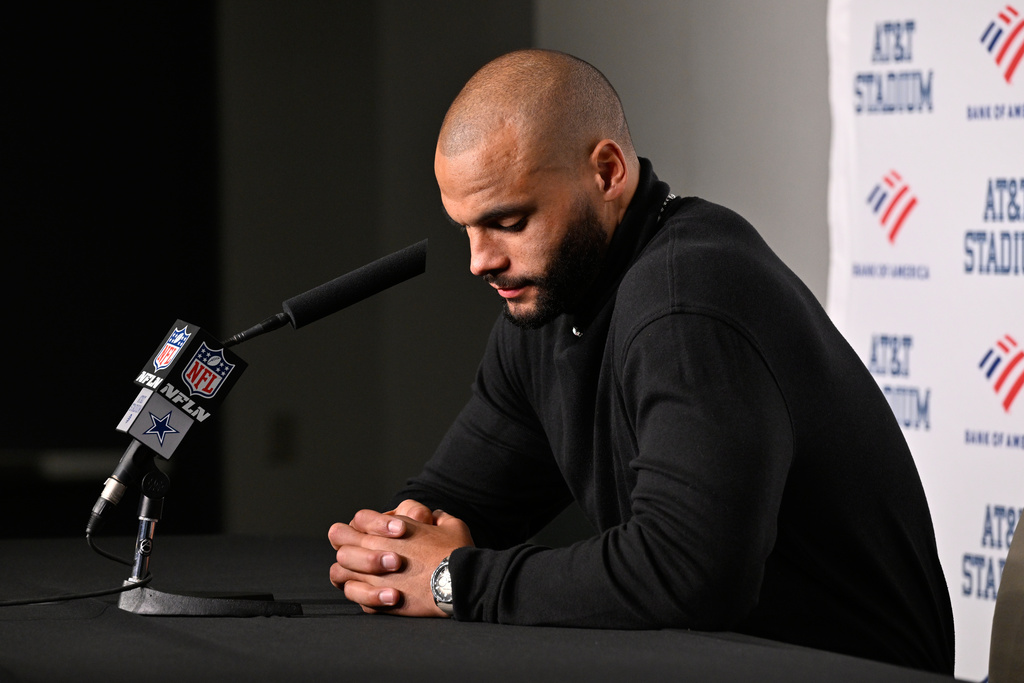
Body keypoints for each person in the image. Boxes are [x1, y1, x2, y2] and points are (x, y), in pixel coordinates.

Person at [328, 49, 955, 674]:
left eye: (510, 222)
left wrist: (453, 582)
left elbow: (688, 571)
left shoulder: (687, 299)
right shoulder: (548, 305)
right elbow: (456, 498)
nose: (480, 260)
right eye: (466, 228)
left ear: (606, 172)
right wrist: (392, 547)